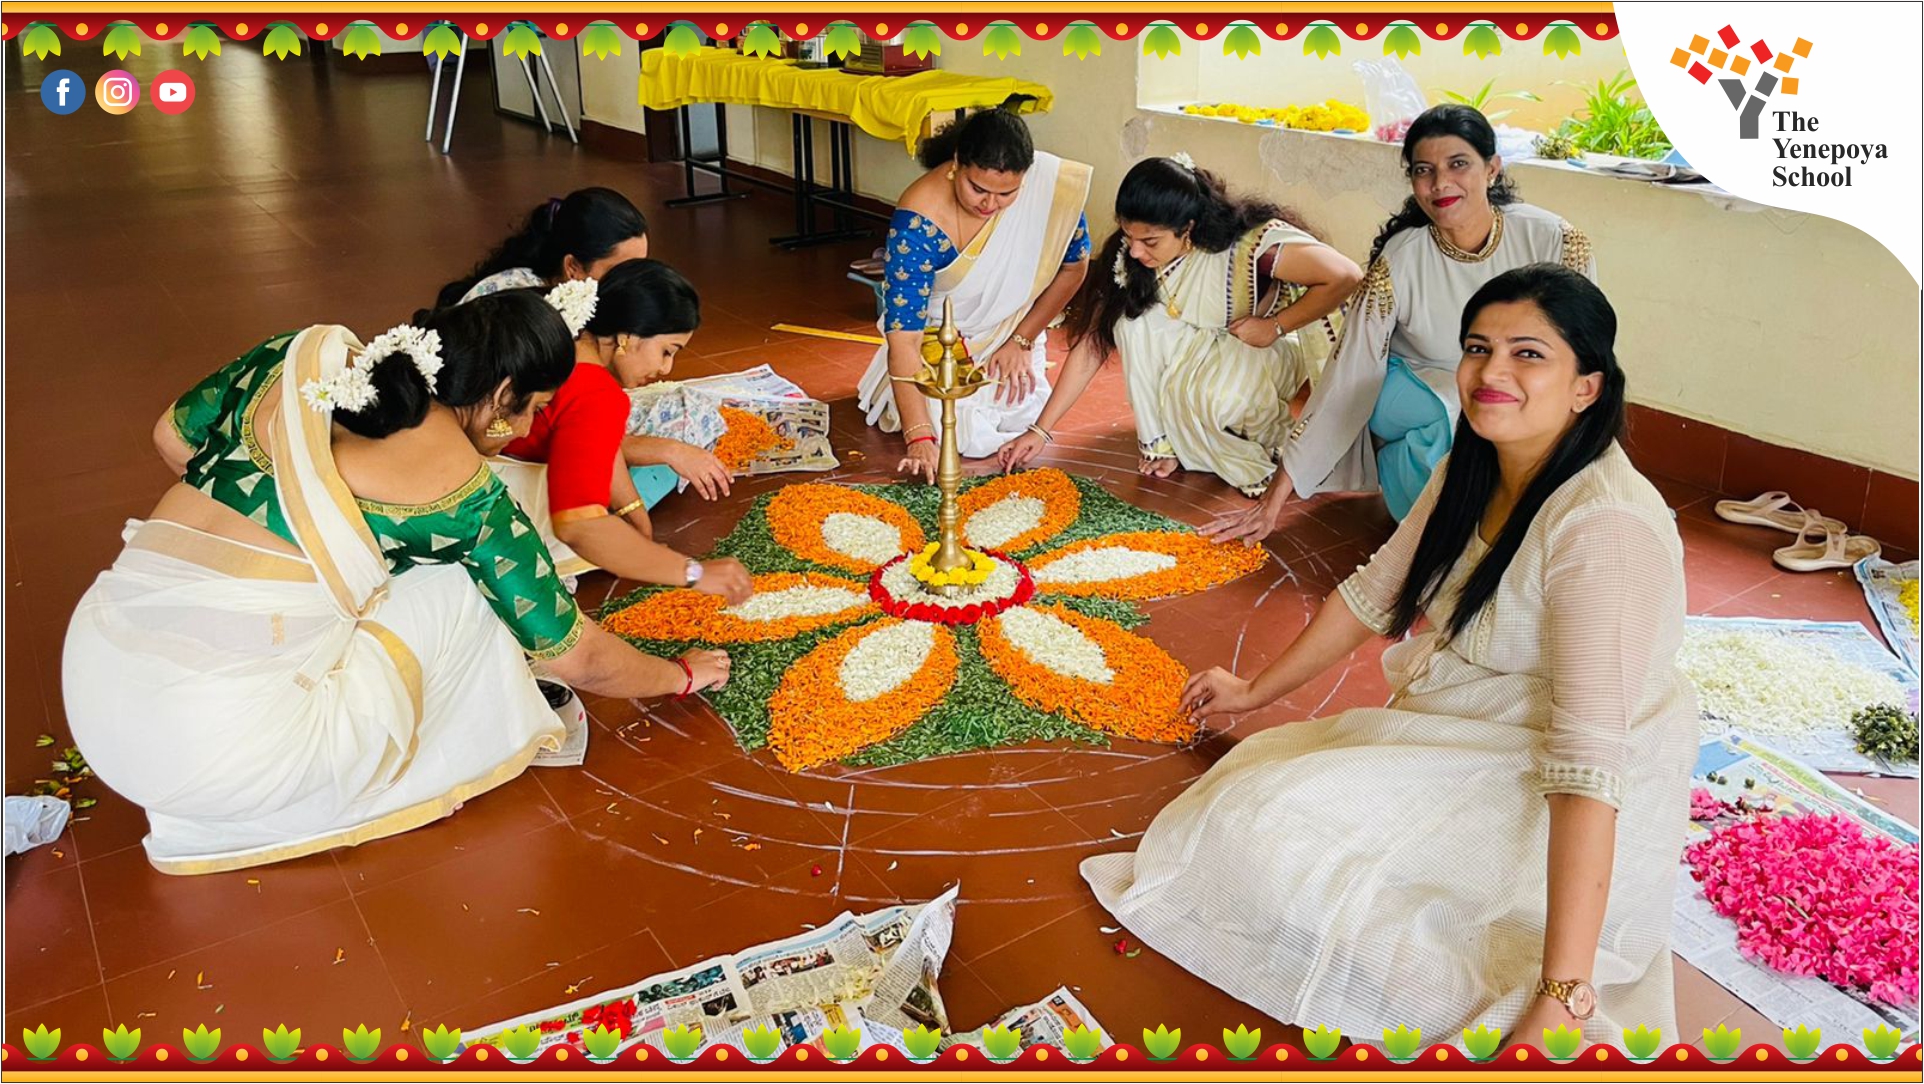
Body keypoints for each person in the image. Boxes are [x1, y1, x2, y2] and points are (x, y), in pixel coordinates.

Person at [1083, 266, 1696, 1046]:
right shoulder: (1478, 460)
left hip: (1567, 781)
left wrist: (1562, 989)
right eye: (1478, 347)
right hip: (1477, 727)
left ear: (1587, 388)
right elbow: (1374, 592)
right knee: (1247, 804)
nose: (1492, 373)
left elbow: (1587, 763)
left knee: (1278, 847)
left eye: (1529, 354)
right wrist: (1251, 691)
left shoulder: (1603, 526)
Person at [62, 291, 731, 875]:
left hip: (98, 668)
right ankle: (430, 758)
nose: (528, 430)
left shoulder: (302, 360)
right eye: (532, 410)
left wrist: (306, 531)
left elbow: (172, 436)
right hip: (219, 757)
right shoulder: (462, 494)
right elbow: (577, 656)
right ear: (501, 395)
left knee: (367, 575)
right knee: (461, 589)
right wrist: (678, 676)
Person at [1207, 105, 1596, 539]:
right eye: (1423, 170)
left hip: (1500, 388)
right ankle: (1445, 540)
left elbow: (1581, 353)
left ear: (1492, 169)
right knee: (1458, 414)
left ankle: (1412, 474)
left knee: (1507, 423)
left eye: (1458, 164)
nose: (1440, 183)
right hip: (1401, 386)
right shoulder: (1402, 257)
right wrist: (1275, 498)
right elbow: (1350, 371)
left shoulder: (1555, 240)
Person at [1000, 155, 1361, 495]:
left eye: (1150, 241)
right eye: (1130, 237)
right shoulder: (1133, 256)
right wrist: (1040, 431)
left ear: (1187, 227)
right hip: (1196, 353)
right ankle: (1169, 443)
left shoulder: (1248, 248)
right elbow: (1093, 345)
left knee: (1214, 399)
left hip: (1258, 349)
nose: (1137, 251)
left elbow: (1345, 276)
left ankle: (1240, 432)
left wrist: (1277, 326)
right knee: (1131, 324)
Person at [487, 260, 751, 602]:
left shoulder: (568, 334)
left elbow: (600, 443)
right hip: (504, 504)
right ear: (627, 336)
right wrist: (690, 571)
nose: (665, 368)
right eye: (666, 351)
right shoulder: (596, 392)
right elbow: (579, 524)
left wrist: (636, 520)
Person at [854, 105, 1093, 479]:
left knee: (1017, 407)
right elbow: (904, 338)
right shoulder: (919, 218)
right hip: (937, 337)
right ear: (956, 164)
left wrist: (1021, 340)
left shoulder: (1051, 188)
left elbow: (1075, 268)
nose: (990, 204)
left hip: (1013, 327)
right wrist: (919, 437)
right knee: (951, 427)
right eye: (977, 188)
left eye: (1007, 193)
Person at [436, 186, 650, 308]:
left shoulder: (565, 292)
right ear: (573, 267)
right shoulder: (522, 303)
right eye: (620, 272)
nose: (631, 283)